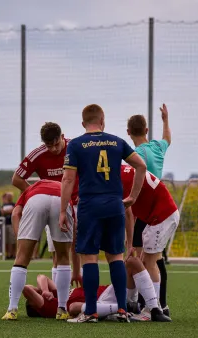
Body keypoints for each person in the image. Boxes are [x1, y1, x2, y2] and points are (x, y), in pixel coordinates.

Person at [60, 103, 150, 323]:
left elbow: (68, 179)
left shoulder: (77, 145)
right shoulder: (117, 141)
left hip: (90, 205)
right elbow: (141, 166)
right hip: (115, 205)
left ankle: (90, 311)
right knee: (115, 256)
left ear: (83, 123)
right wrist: (133, 197)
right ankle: (121, 309)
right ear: (103, 121)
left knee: (89, 256)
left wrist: (63, 210)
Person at [12, 122, 81, 284]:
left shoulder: (75, 148)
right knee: (58, 253)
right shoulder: (38, 154)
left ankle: (80, 291)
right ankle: (59, 296)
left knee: (80, 249)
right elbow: (16, 179)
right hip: (54, 207)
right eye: (49, 146)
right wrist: (34, 194)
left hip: (77, 204)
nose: (54, 149)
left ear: (62, 137)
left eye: (56, 144)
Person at [2, 179, 74, 321]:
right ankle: (62, 310)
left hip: (36, 199)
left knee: (22, 258)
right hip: (61, 198)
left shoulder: (30, 189)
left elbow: (16, 213)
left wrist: (20, 239)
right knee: (63, 258)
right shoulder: (61, 186)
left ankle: (12, 310)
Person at [126, 104, 172, 311]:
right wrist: (165, 120)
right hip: (161, 205)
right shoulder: (156, 147)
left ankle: (145, 302)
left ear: (128, 133)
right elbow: (167, 139)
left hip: (144, 209)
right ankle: (162, 303)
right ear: (146, 130)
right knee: (156, 256)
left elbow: (138, 177)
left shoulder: (136, 155)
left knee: (142, 258)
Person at [121, 165, 176, 321]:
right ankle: (150, 307)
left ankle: (152, 309)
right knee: (146, 260)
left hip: (161, 216)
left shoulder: (118, 178)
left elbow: (128, 213)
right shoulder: (125, 171)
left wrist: (130, 243)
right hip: (158, 215)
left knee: (149, 262)